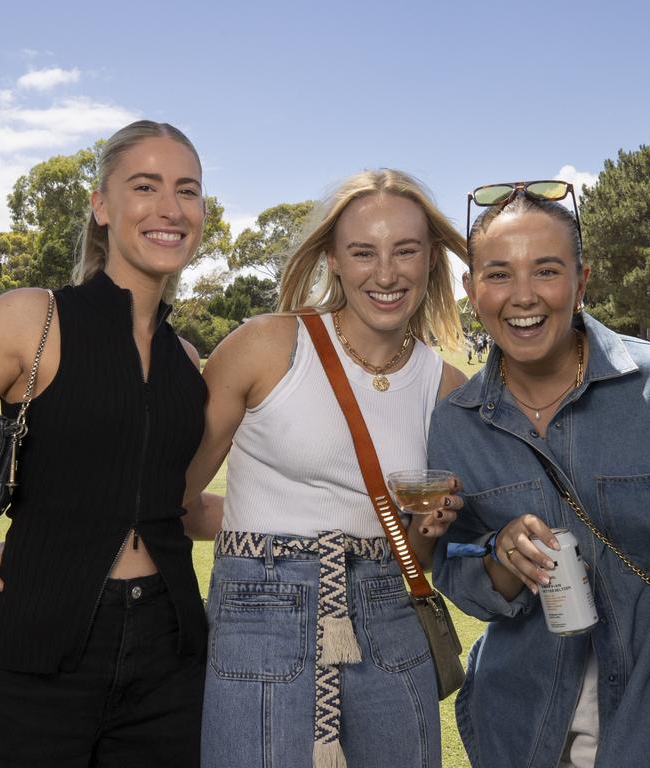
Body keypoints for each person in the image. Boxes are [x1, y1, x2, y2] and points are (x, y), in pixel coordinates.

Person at [429, 181, 650, 767]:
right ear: (470, 290)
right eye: (497, 274)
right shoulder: (454, 425)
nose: (523, 297)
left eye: (546, 271)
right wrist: (500, 554)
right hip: (520, 730)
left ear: (581, 280)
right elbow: (461, 575)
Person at [0, 120, 209, 767]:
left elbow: (176, 506)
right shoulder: (31, 320)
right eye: (145, 186)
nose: (170, 207)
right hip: (36, 639)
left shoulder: (190, 361)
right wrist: (31, 553)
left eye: (188, 190)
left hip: (170, 662)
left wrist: (323, 520)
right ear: (101, 205)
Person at [179, 169, 466, 767]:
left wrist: (427, 531)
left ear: (432, 259)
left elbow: (419, 560)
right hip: (261, 617)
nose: (385, 274)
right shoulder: (265, 348)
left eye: (405, 251)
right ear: (333, 259)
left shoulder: (446, 390)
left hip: (391, 622)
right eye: (363, 252)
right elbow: (168, 502)